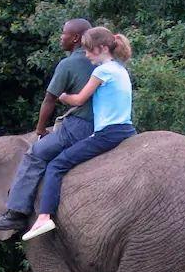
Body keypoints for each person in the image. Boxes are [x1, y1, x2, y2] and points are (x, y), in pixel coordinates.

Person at [21, 27, 137, 241]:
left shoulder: (102, 71)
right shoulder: (120, 69)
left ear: (102, 48)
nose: (86, 54)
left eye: (89, 50)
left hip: (107, 134)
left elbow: (79, 100)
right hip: (127, 129)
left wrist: (63, 96)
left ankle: (44, 216)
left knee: (56, 165)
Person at [0, 19, 97, 231]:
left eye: (63, 33)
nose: (60, 37)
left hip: (80, 127)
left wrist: (40, 129)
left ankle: (16, 213)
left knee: (35, 154)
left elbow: (50, 100)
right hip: (107, 125)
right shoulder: (102, 61)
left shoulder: (68, 64)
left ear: (75, 38)